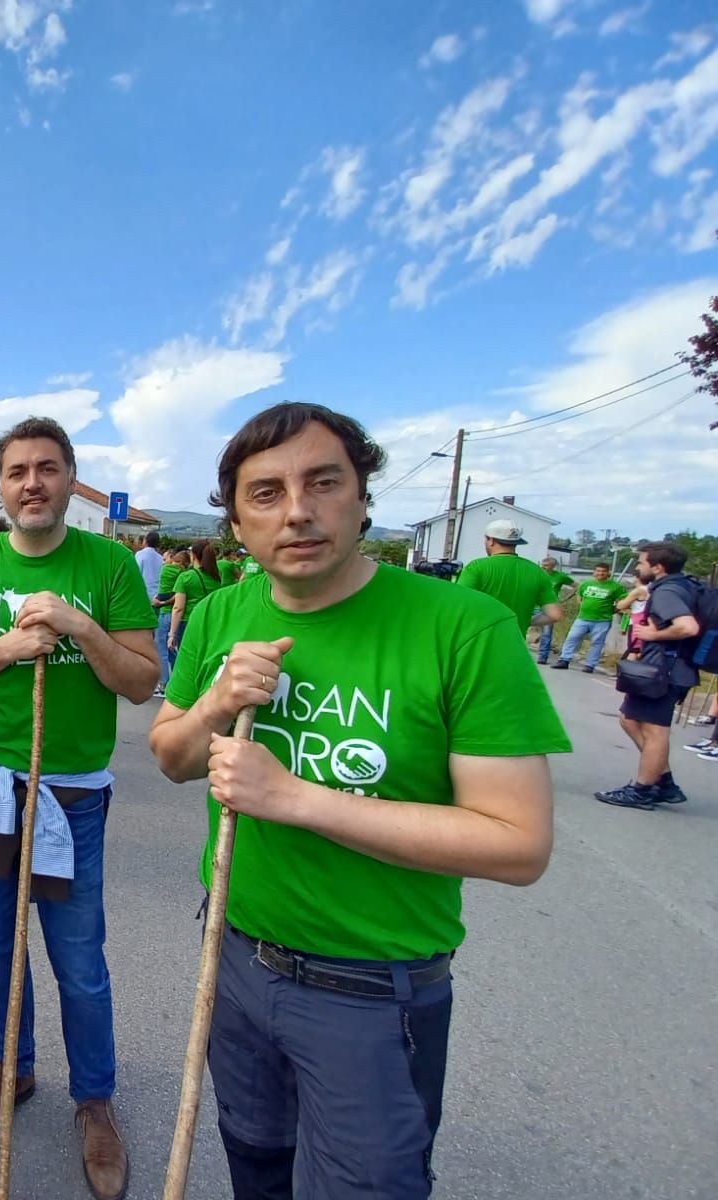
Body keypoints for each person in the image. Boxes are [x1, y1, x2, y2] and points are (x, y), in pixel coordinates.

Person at [150, 401, 568, 1200]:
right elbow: (171, 757)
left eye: (324, 482)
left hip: (375, 992)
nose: (298, 510)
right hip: (234, 957)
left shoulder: (464, 627)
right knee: (256, 1162)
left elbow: (518, 844)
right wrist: (210, 706)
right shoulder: (218, 615)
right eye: (265, 493)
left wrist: (296, 797)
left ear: (364, 498)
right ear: (237, 523)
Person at [0, 416, 158, 1200]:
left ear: (70, 479)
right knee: (1, 946)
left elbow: (138, 680)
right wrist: (7, 650)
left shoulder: (109, 565)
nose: (33, 482)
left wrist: (76, 625)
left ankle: (94, 1100)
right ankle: (13, 1068)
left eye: (48, 468)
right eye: (18, 470)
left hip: (69, 798)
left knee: (79, 963)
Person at [594, 542, 702, 810]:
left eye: (642, 563)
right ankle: (664, 783)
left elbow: (687, 627)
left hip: (664, 671)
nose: (639, 567)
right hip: (673, 668)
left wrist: (654, 635)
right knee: (630, 720)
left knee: (654, 731)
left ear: (658, 567)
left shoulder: (667, 591)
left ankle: (642, 790)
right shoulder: (685, 585)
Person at [455, 519, 563, 634]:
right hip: (516, 644)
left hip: (479, 642)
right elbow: (555, 615)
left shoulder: (476, 567)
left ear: (490, 541)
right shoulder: (537, 571)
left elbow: (457, 607)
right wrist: (525, 621)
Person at [551, 563, 627, 673]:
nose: (600, 573)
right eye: (598, 571)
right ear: (594, 572)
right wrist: (582, 606)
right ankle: (564, 660)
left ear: (608, 573)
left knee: (597, 642)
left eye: (603, 571)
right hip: (583, 618)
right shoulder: (586, 584)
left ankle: (590, 665)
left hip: (602, 620)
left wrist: (614, 610)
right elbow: (579, 596)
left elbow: (623, 601)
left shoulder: (616, 586)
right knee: (572, 638)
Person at [166, 538, 224, 660]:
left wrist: (172, 633)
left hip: (188, 622)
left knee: (187, 660)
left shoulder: (186, 577)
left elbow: (178, 608)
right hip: (210, 622)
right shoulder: (216, 577)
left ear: (193, 556)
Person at [135, 530, 169, 696]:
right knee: (157, 642)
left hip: (142, 601)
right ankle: (161, 682)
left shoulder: (140, 556)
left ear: (146, 541)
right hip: (158, 601)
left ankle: (142, 677)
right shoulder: (161, 558)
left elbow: (134, 577)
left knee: (141, 641)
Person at [536, 556, 576, 665]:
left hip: (549, 608)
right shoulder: (536, 573)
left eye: (546, 566)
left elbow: (577, 586)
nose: (543, 567)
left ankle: (542, 657)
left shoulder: (560, 576)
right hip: (533, 606)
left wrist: (566, 598)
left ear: (553, 566)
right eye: (542, 565)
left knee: (546, 633)